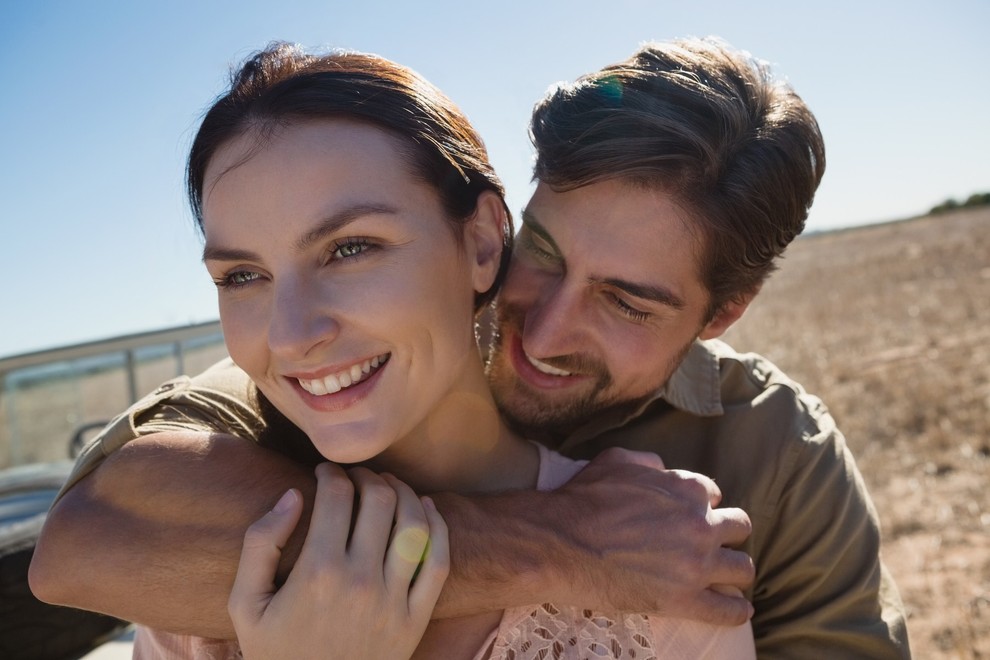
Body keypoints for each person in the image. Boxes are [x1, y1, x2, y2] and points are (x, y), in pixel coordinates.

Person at [30, 38, 911, 657]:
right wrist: (561, 545)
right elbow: (90, 541)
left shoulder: (778, 452)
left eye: (628, 304)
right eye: (547, 254)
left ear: (723, 313)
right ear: (496, 234)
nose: (548, 328)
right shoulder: (318, 371)